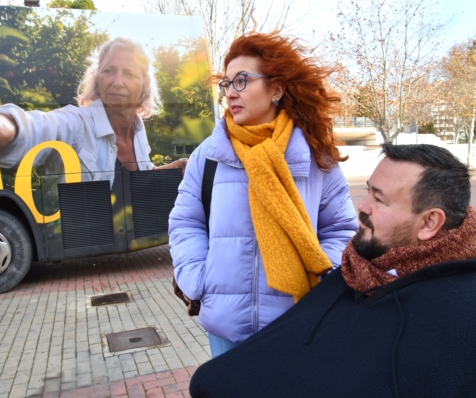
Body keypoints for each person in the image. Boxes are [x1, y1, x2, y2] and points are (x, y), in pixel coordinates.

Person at [189, 143, 476, 398]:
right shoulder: (359, 267)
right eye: (367, 192)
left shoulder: (459, 318)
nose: (361, 206)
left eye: (379, 199)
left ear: (429, 223)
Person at [168, 32, 358, 358]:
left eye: (241, 81)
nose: (230, 93)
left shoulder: (315, 157)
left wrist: (318, 285)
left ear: (277, 89)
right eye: (226, 84)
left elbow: (341, 229)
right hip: (226, 328)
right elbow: (186, 221)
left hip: (298, 324)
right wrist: (198, 279)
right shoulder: (209, 155)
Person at [0, 36, 186, 184]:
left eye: (130, 74)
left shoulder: (138, 131)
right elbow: (37, 127)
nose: (117, 82)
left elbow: (133, 178)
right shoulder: (77, 124)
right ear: (98, 78)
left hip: (133, 245)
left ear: (145, 84)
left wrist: (168, 170)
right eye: (109, 71)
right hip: (80, 243)